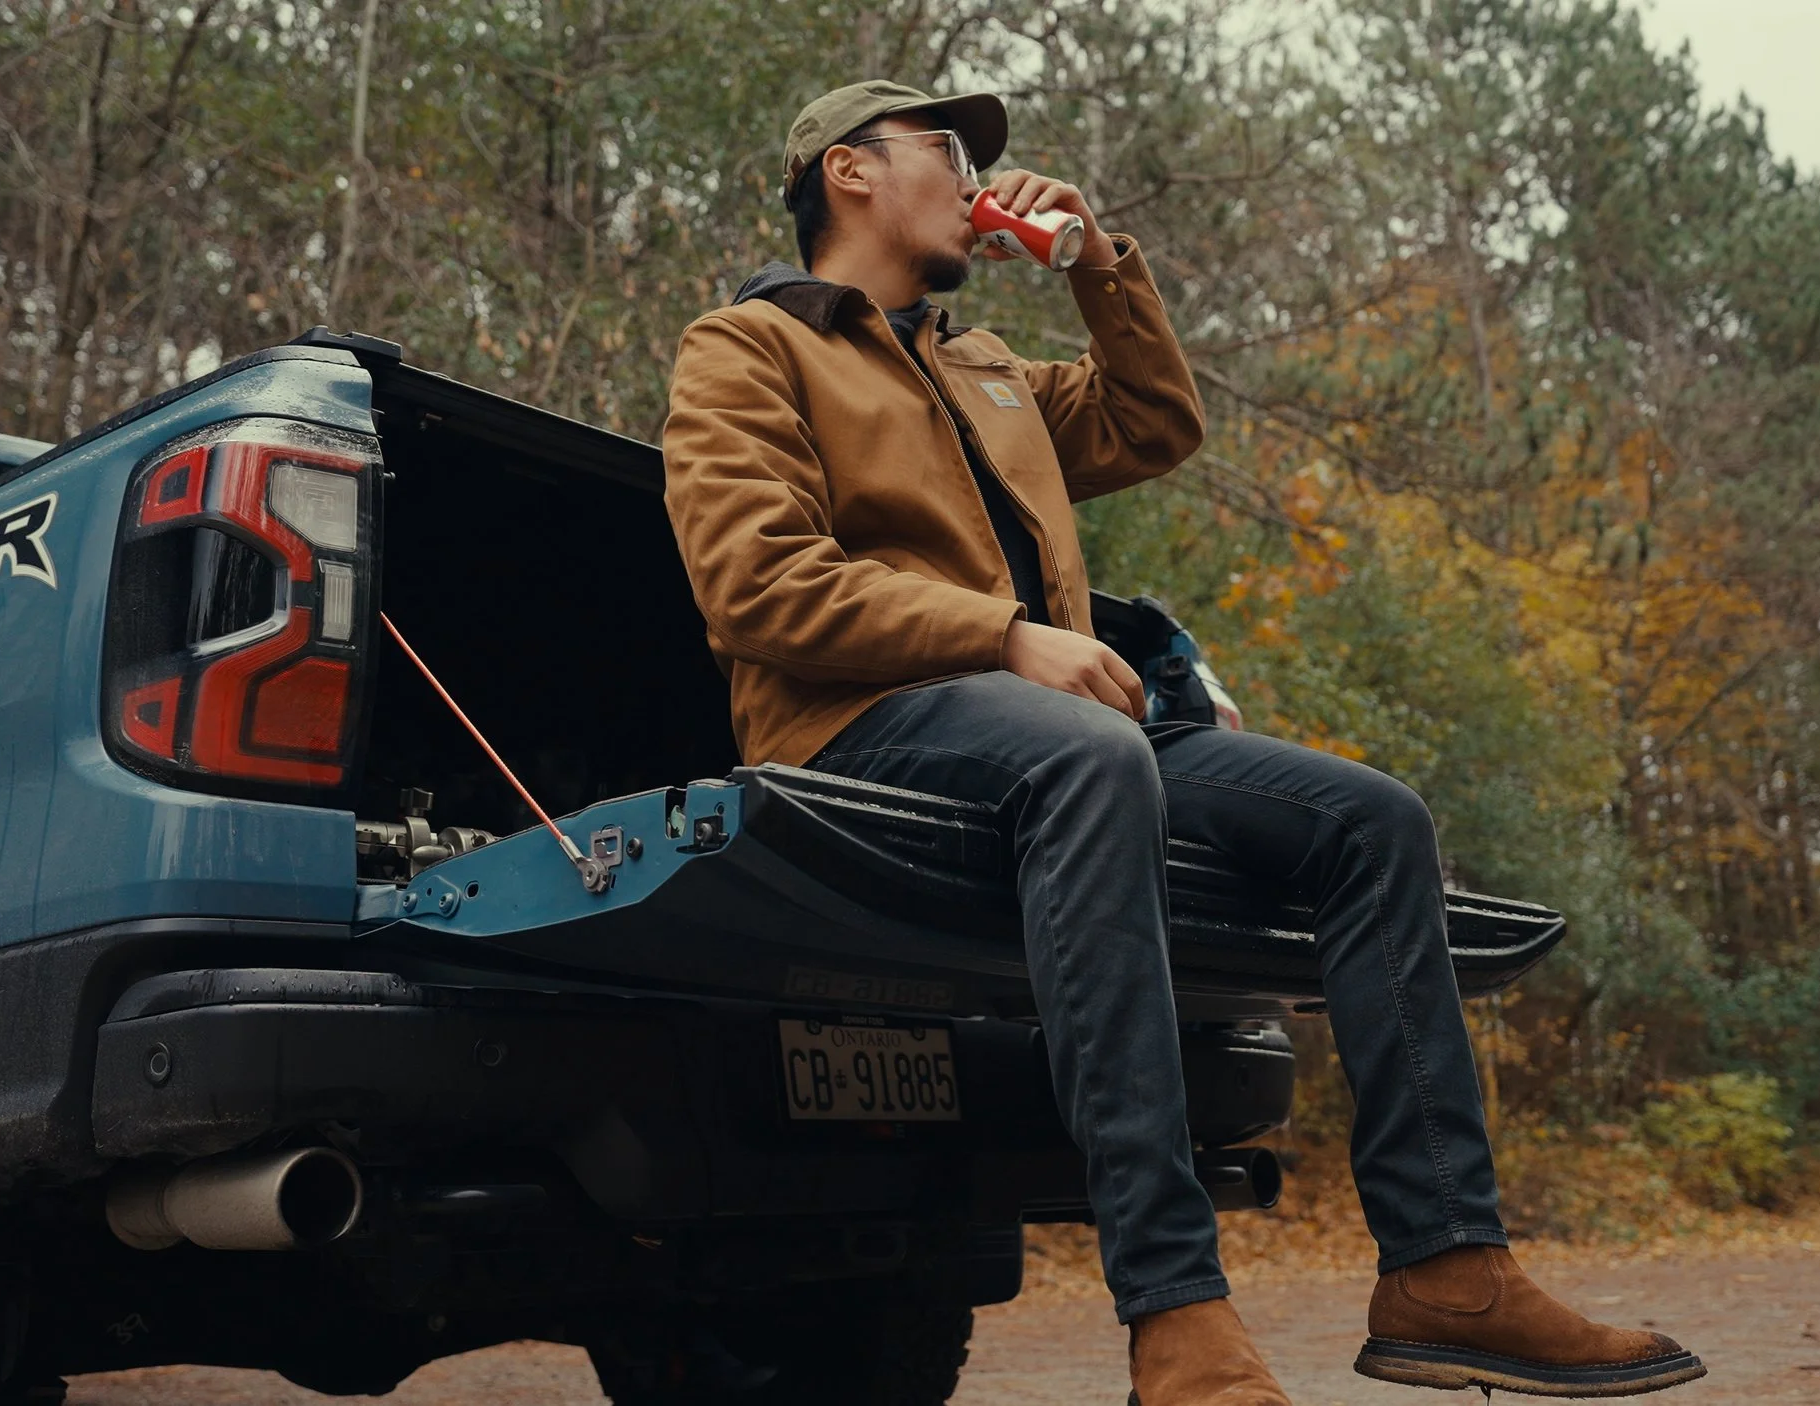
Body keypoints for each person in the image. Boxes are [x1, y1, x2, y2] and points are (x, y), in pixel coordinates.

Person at [661, 79, 1706, 1403]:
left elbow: (1154, 420)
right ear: (849, 172)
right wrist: (1002, 638)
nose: (980, 171)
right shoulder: (747, 346)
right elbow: (757, 584)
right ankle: (1177, 1314)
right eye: (945, 147)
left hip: (1057, 729)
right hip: (861, 727)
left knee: (1369, 821)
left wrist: (1103, 265)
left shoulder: (982, 369)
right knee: (1089, 754)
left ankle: (1448, 1265)